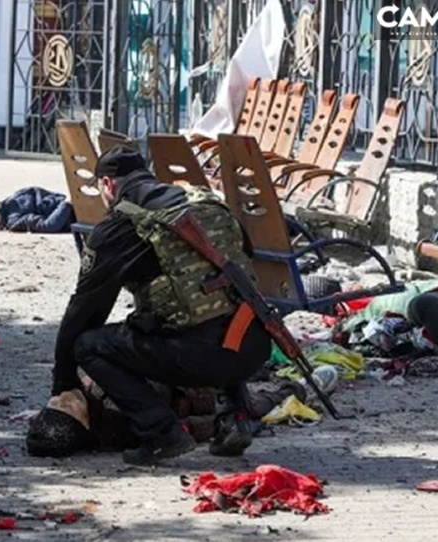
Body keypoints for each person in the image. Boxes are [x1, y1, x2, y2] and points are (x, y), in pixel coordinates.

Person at [51, 145, 272, 465]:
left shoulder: (122, 225)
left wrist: (64, 380)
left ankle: (161, 432)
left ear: (108, 185)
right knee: (222, 307)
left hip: (203, 358)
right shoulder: (205, 202)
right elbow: (244, 260)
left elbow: (85, 309)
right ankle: (233, 418)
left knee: (89, 345)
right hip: (254, 346)